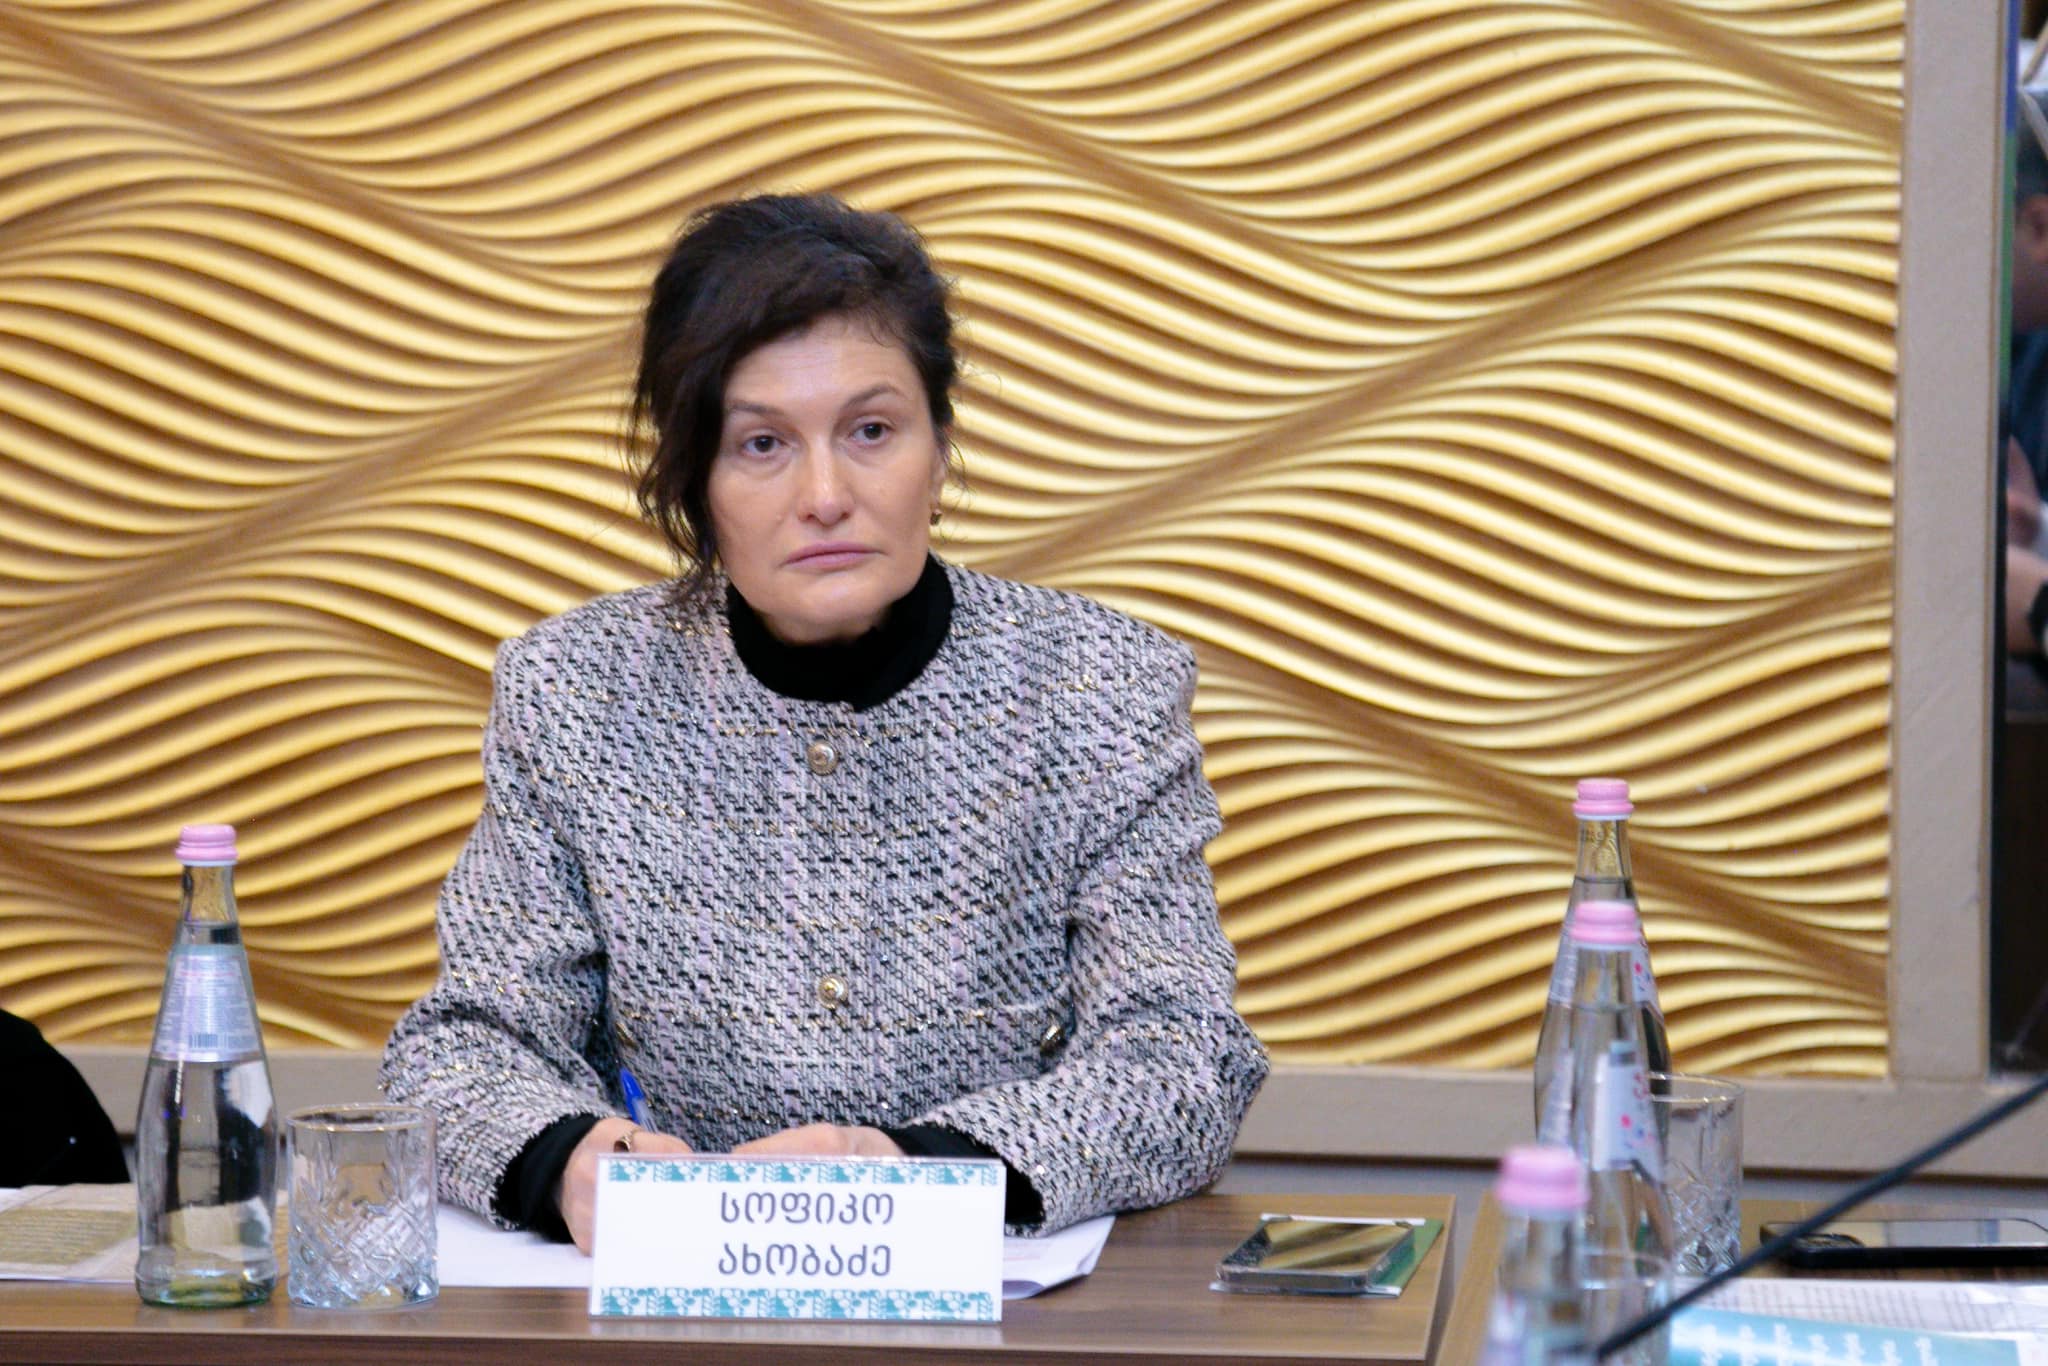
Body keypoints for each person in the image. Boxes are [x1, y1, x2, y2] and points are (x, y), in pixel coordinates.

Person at [380, 192, 1269, 1251]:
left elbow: (1182, 1058)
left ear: (940, 447)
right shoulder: (574, 691)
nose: (825, 494)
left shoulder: (1099, 687)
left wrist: (912, 1174)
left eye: (871, 431)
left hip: (999, 1298)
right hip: (672, 1295)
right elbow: (462, 1045)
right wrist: (578, 1164)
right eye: (761, 443)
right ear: (694, 479)